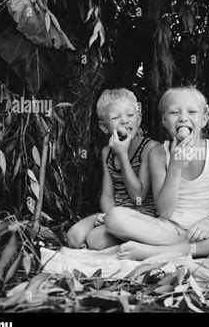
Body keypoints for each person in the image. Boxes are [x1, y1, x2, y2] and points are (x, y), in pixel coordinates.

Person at [103, 87, 209, 260]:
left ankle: (163, 252)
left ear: (204, 119)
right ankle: (195, 248)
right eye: (174, 112)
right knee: (114, 217)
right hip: (171, 228)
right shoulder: (158, 154)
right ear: (165, 121)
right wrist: (175, 166)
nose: (183, 117)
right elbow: (164, 212)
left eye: (191, 111)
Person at [67, 88, 159, 249]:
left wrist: (122, 155)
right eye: (116, 117)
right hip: (115, 214)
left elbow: (139, 195)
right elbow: (107, 194)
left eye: (130, 115)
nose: (125, 121)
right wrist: (108, 216)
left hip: (142, 218)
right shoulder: (107, 152)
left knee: (95, 239)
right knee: (73, 237)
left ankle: (134, 242)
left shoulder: (149, 148)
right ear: (104, 127)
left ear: (139, 118)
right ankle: (115, 235)